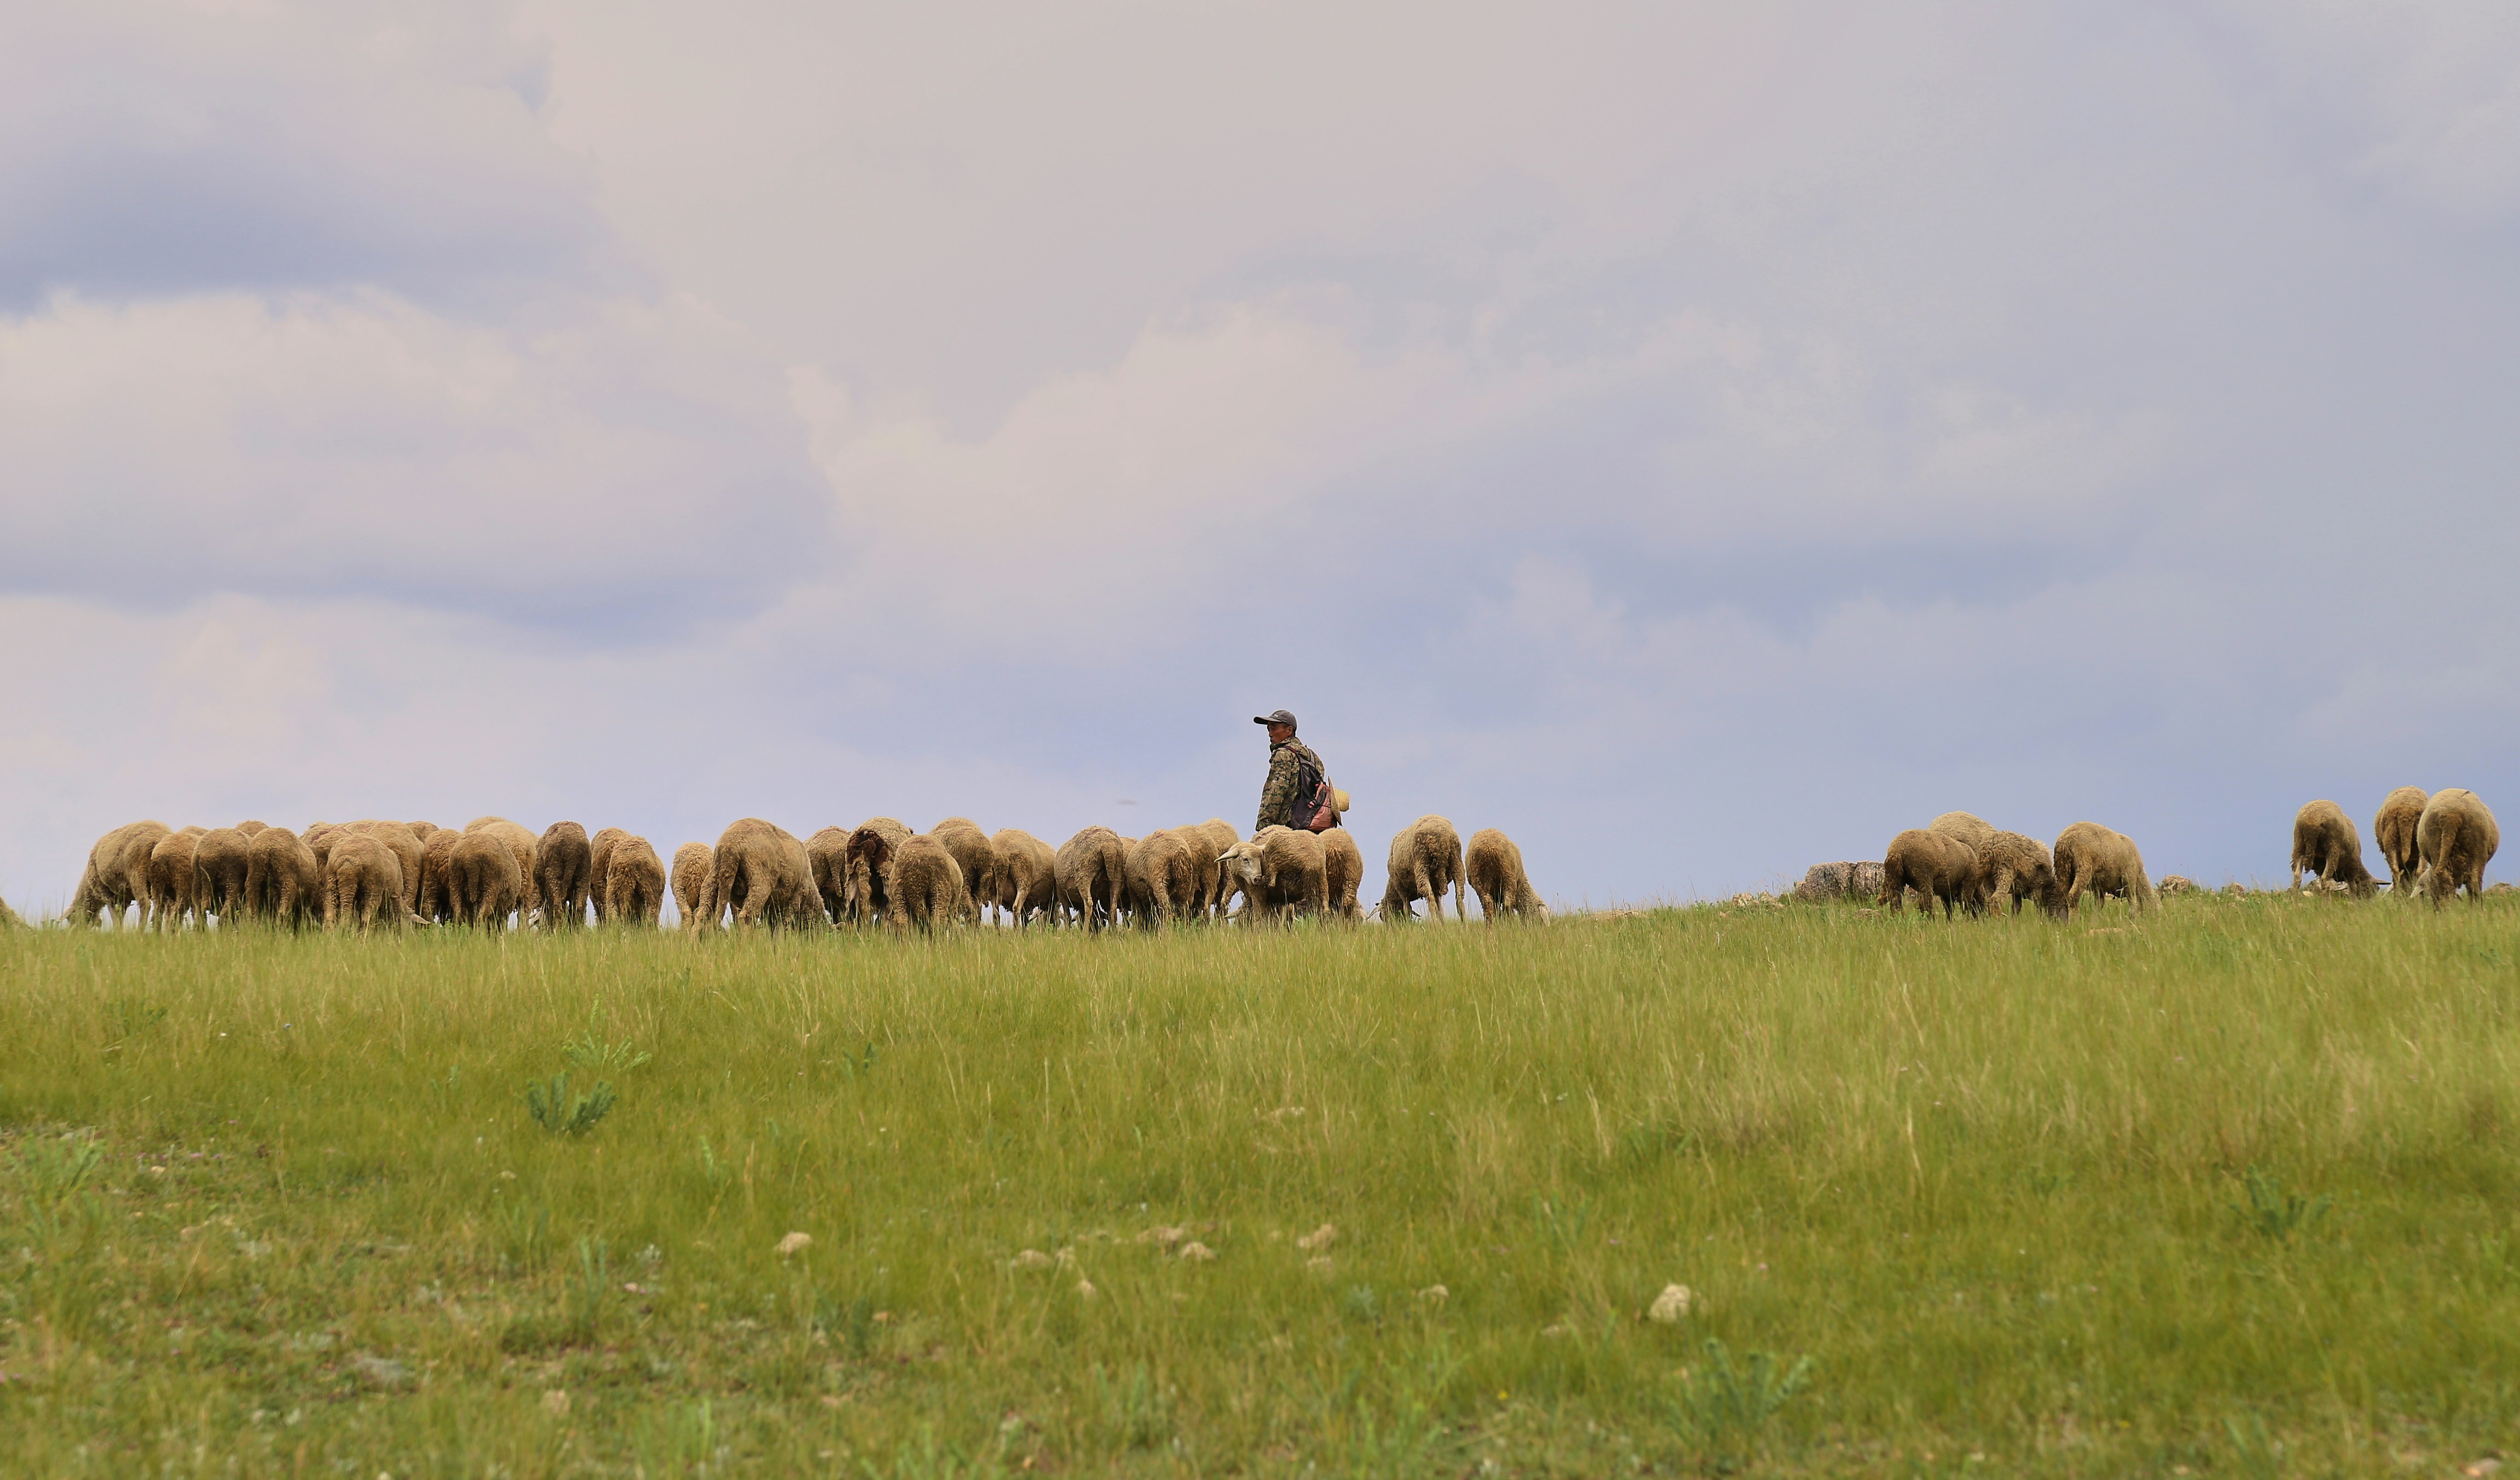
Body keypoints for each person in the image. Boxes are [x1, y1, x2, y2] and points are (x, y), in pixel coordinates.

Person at [1253, 708, 1330, 832]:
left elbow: (1275, 791)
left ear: (1289, 731)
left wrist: (1264, 827)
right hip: (1311, 824)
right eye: (1269, 730)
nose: (1270, 734)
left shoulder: (1283, 754)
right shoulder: (1313, 757)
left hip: (1288, 827)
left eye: (1273, 729)